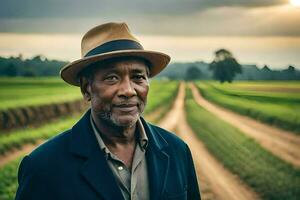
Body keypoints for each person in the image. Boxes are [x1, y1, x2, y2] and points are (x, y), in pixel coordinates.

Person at [15, 22, 201, 200]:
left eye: (138, 77)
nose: (128, 91)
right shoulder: (43, 167)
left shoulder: (177, 151)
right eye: (112, 78)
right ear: (87, 88)